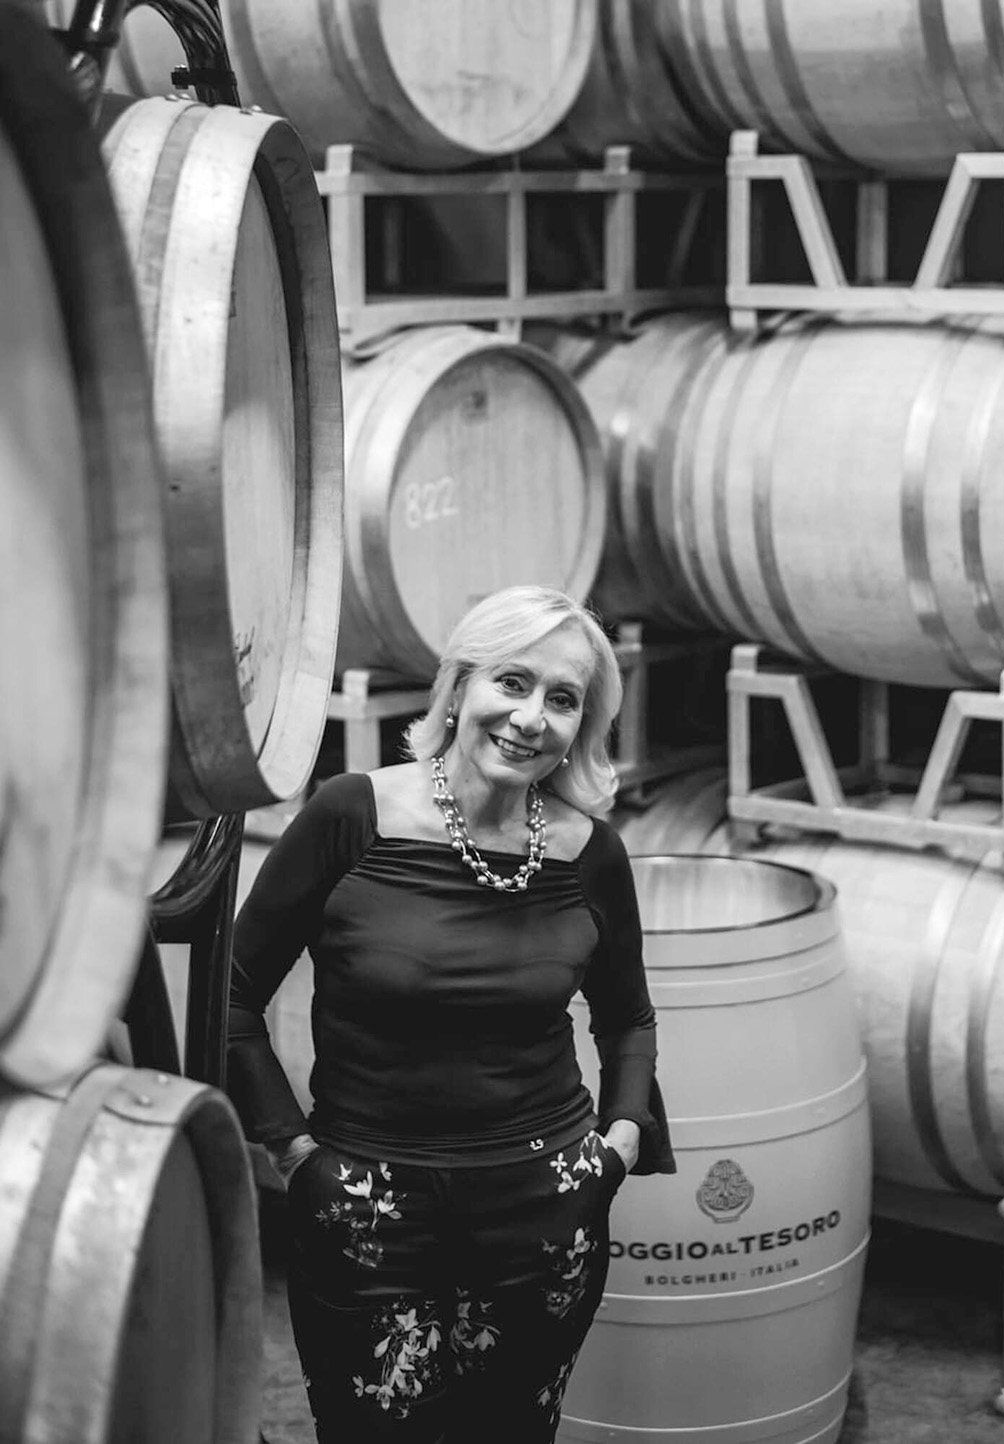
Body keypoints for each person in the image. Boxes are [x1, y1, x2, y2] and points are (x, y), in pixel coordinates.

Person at [227, 584, 675, 1442]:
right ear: (460, 685)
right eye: (513, 681)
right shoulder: (350, 815)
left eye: (564, 699)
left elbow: (628, 1020)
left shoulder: (590, 852)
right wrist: (293, 1148)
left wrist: (615, 1147)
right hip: (368, 1209)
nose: (531, 717)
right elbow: (233, 998)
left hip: (545, 1211)